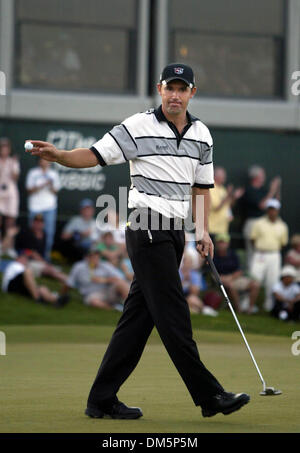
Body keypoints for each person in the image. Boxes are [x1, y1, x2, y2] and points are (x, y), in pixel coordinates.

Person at [25, 63, 250, 419]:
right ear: (159, 89)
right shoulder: (137, 125)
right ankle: (210, 396)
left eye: (182, 88)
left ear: (192, 93)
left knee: (137, 321)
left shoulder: (202, 135)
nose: (175, 95)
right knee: (174, 313)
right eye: (169, 88)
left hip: (176, 231)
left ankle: (101, 399)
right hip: (146, 226)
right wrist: (61, 157)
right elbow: (96, 155)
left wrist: (202, 231)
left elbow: (202, 189)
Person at [250, 198, 288, 311]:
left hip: (274, 255)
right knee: (254, 279)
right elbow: (253, 239)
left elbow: (283, 244)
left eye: (274, 209)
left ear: (278, 210)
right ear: (267, 210)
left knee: (272, 281)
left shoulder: (283, 226)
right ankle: (249, 305)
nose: (272, 212)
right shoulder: (258, 223)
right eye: (270, 209)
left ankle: (270, 307)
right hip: (259, 254)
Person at [240, 165, 281, 270]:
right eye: (262, 175)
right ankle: (252, 277)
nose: (264, 177)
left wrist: (276, 189)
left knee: (263, 253)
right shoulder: (249, 190)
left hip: (265, 224)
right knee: (252, 253)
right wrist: (272, 190)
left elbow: (274, 203)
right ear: (256, 177)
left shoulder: (263, 190)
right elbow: (262, 205)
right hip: (252, 224)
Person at [64, 246, 129, 310]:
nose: (95, 258)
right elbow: (69, 283)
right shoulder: (79, 267)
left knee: (121, 284)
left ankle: (130, 305)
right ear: (87, 257)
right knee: (94, 302)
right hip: (92, 294)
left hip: (107, 291)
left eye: (97, 256)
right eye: (92, 256)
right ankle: (116, 308)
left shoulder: (105, 265)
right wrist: (62, 294)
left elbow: (120, 278)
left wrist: (104, 280)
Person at [213, 233, 260, 314]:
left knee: (255, 284)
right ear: (216, 243)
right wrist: (224, 278)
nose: (222, 245)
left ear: (228, 243)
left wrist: (231, 277)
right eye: (220, 242)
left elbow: (240, 270)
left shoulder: (233, 254)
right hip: (221, 279)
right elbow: (212, 273)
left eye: (223, 242)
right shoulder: (213, 255)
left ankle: (250, 309)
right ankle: (239, 309)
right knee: (231, 285)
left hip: (235, 278)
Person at [1, 252, 68, 307]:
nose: (25, 260)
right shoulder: (14, 264)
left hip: (20, 286)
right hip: (10, 285)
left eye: (26, 259)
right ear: (18, 259)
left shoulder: (24, 268)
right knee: (28, 271)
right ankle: (37, 299)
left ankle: (56, 300)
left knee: (42, 288)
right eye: (23, 259)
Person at [15, 213, 67, 283]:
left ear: (43, 224)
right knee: (50, 270)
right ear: (33, 223)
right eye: (36, 222)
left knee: (54, 270)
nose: (38, 224)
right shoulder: (27, 233)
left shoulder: (44, 234)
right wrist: (45, 263)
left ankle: (69, 280)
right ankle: (70, 281)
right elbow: (31, 253)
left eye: (40, 222)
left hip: (38, 261)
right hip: (27, 261)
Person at [26, 157, 60, 261]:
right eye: (42, 159)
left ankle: (46, 258)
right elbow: (29, 190)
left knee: (49, 233)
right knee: (32, 233)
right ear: (39, 162)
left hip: (50, 207)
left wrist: (50, 185)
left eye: (46, 159)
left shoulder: (54, 174)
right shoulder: (33, 173)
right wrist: (42, 185)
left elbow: (56, 191)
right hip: (35, 207)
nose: (44, 161)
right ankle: (30, 256)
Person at [208, 166, 244, 239]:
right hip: (212, 229)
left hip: (223, 229)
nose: (225, 178)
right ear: (215, 176)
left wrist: (234, 197)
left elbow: (228, 206)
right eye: (223, 176)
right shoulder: (210, 188)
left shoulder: (223, 189)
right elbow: (216, 207)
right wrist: (228, 195)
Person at [0, 137, 20, 257]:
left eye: (6, 147)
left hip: (11, 193)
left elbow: (15, 178)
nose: (4, 150)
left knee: (10, 221)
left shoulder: (13, 161)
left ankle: (9, 247)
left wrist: (12, 164)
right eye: (2, 147)